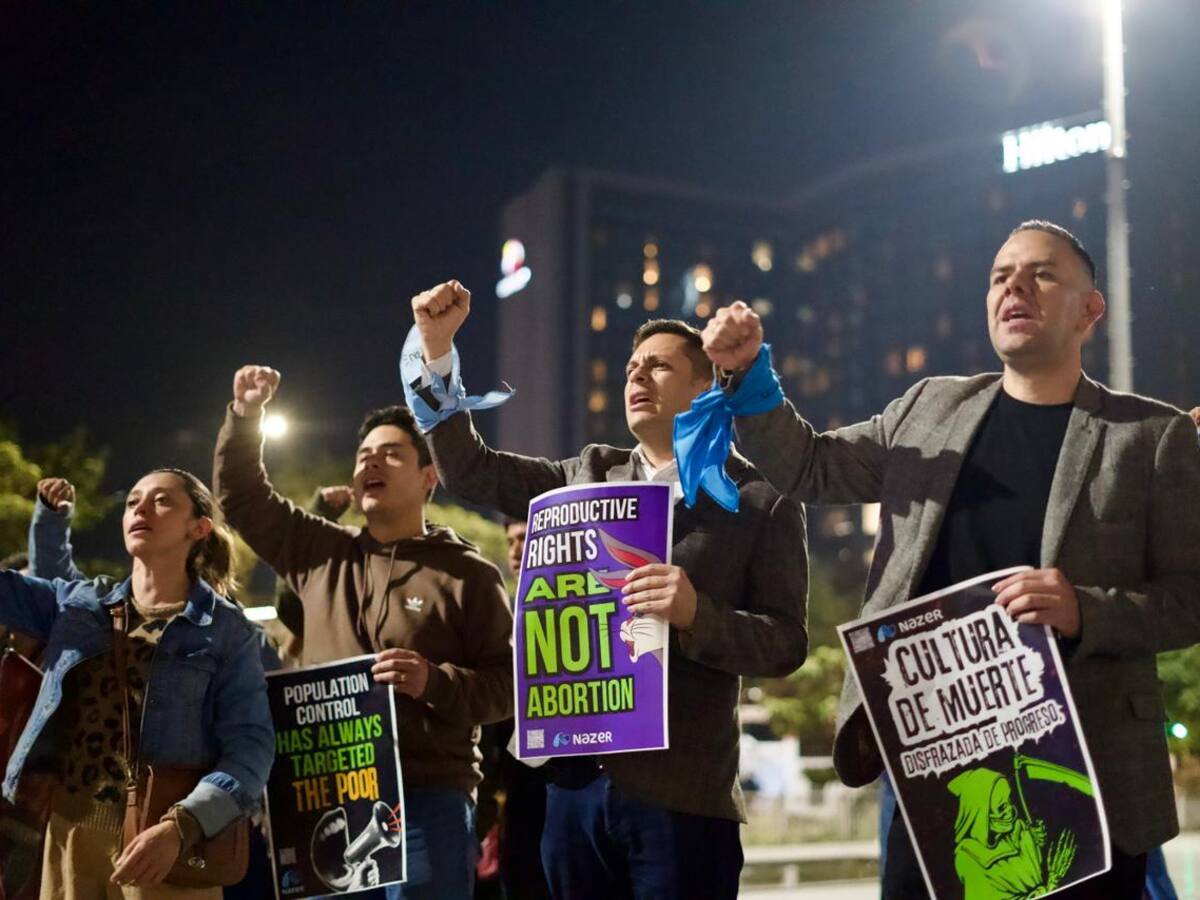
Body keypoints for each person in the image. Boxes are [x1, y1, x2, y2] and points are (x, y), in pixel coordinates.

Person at [701, 220, 1200, 899]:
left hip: (1087, 773)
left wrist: (1088, 610)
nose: (1014, 286)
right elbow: (812, 469)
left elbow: (1189, 596)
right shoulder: (929, 407)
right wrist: (746, 377)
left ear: (1091, 309)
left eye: (1042, 273)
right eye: (1000, 276)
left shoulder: (1151, 435)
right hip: (932, 768)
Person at [407, 279, 809, 900]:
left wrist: (697, 613)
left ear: (704, 386)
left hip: (683, 796)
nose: (636, 377)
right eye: (630, 367)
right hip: (572, 791)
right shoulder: (585, 473)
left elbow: (786, 644)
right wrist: (435, 353)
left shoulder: (762, 500)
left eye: (658, 365)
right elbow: (469, 471)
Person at [213, 376, 514, 900]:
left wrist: (433, 682)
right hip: (326, 799)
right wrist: (245, 417)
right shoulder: (318, 551)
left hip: (427, 803)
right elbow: (240, 497)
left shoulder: (468, 575)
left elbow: (509, 686)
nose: (372, 463)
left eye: (392, 454)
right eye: (365, 454)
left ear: (429, 478)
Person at [0, 468, 275, 899]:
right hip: (67, 837)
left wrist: (182, 826)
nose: (141, 508)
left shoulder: (226, 630)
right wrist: (48, 520)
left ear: (198, 528)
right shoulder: (79, 603)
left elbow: (252, 748)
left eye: (162, 500)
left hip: (162, 852)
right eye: (132, 502)